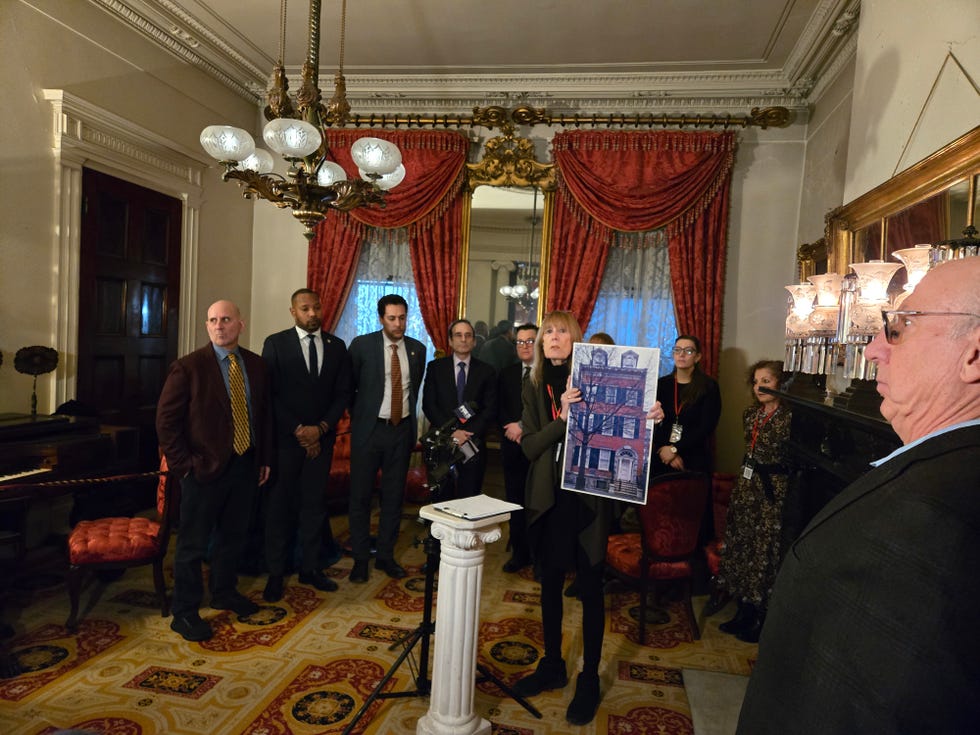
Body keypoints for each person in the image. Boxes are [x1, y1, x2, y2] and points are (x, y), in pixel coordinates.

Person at [737, 257, 980, 735]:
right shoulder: (934, 472)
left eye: (901, 326)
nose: (873, 350)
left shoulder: (943, 514)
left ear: (974, 356)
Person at [513, 310, 664, 726]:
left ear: (575, 338)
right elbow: (529, 446)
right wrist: (562, 418)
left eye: (562, 331)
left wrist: (652, 416)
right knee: (548, 584)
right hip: (549, 498)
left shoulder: (597, 377)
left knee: (591, 588)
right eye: (548, 332)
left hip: (589, 500)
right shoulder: (532, 384)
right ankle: (551, 665)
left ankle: (589, 677)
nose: (554, 337)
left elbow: (629, 424)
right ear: (541, 343)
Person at [156, 300, 272, 642]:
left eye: (225, 320)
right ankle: (185, 611)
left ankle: (224, 591)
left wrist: (264, 458)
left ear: (241, 324)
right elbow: (165, 423)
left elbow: (263, 416)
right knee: (192, 545)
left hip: (244, 465)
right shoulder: (189, 368)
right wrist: (185, 467)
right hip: (202, 471)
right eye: (212, 321)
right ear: (207, 326)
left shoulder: (257, 366)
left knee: (232, 537)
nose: (219, 326)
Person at [260, 288, 351, 602]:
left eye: (316, 307)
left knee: (313, 508)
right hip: (286, 443)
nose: (312, 314)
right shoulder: (276, 343)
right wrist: (299, 430)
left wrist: (321, 429)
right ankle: (275, 573)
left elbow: (342, 394)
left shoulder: (337, 346)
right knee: (280, 509)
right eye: (304, 309)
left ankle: (311, 569)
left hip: (321, 442)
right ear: (293, 312)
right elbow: (269, 395)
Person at [346, 294, 426, 583]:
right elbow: (349, 387)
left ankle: (385, 556)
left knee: (394, 497)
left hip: (401, 430)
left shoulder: (418, 349)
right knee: (361, 496)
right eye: (392, 318)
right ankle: (359, 559)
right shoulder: (361, 346)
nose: (398, 324)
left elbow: (413, 389)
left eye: (402, 318)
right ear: (380, 318)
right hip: (369, 431)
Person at [715, 360, 792, 643]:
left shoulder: (790, 418)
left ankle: (761, 617)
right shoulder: (751, 415)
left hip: (772, 491)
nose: (760, 386)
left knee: (764, 552)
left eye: (767, 380)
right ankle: (743, 612)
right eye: (756, 381)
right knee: (743, 547)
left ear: (781, 383)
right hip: (747, 488)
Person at [422, 319, 497, 499]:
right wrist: (453, 433)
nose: (463, 339)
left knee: (470, 497)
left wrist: (467, 433)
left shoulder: (487, 371)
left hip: (473, 442)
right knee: (441, 498)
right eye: (458, 335)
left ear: (474, 341)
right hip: (442, 443)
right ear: (450, 341)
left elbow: (490, 409)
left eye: (468, 335)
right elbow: (429, 405)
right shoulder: (435, 368)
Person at [497, 322, 537, 572]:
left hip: (538, 449)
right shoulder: (507, 373)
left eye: (530, 341)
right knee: (515, 503)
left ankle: (539, 555)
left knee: (539, 504)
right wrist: (511, 427)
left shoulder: (547, 374)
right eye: (520, 342)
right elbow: (497, 406)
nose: (524, 346)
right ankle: (519, 553)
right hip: (511, 447)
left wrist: (524, 427)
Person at [652, 335, 721, 474]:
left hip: (693, 456)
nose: (681, 354)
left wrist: (675, 449)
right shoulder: (662, 384)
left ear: (697, 357)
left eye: (688, 351)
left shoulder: (709, 386)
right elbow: (652, 421)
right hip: (662, 455)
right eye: (677, 350)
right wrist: (662, 449)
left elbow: (706, 427)